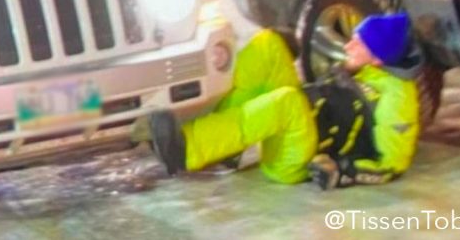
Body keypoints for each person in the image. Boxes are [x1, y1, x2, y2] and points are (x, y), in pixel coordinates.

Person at [149, 13, 422, 190]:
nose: (348, 46)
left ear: (378, 58)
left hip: (300, 158)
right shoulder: (368, 67)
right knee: (269, 44)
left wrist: (342, 170)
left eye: (358, 44)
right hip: (305, 121)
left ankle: (187, 149)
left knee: (288, 101)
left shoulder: (398, 99)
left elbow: (392, 164)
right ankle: (221, 143)